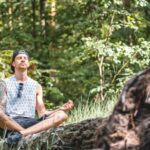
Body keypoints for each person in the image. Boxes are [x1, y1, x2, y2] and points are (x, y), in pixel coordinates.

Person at [0, 50, 74, 144]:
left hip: (30, 122)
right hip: (11, 123)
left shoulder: (36, 86)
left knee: (62, 115)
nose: (23, 60)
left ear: (28, 63)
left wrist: (60, 108)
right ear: (13, 63)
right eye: (19, 58)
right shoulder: (4, 84)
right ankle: (26, 133)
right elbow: (1, 111)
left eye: (25, 58)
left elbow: (42, 113)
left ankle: (22, 134)